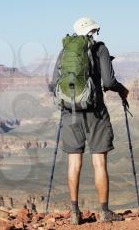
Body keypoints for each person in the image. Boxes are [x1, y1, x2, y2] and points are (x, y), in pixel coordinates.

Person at [49, 17, 129, 224]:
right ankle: (104, 211)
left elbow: (53, 84)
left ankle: (75, 213)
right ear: (94, 31)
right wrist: (122, 90)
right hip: (95, 112)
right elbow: (109, 82)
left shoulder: (65, 50)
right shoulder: (100, 48)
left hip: (70, 112)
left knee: (74, 162)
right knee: (99, 162)